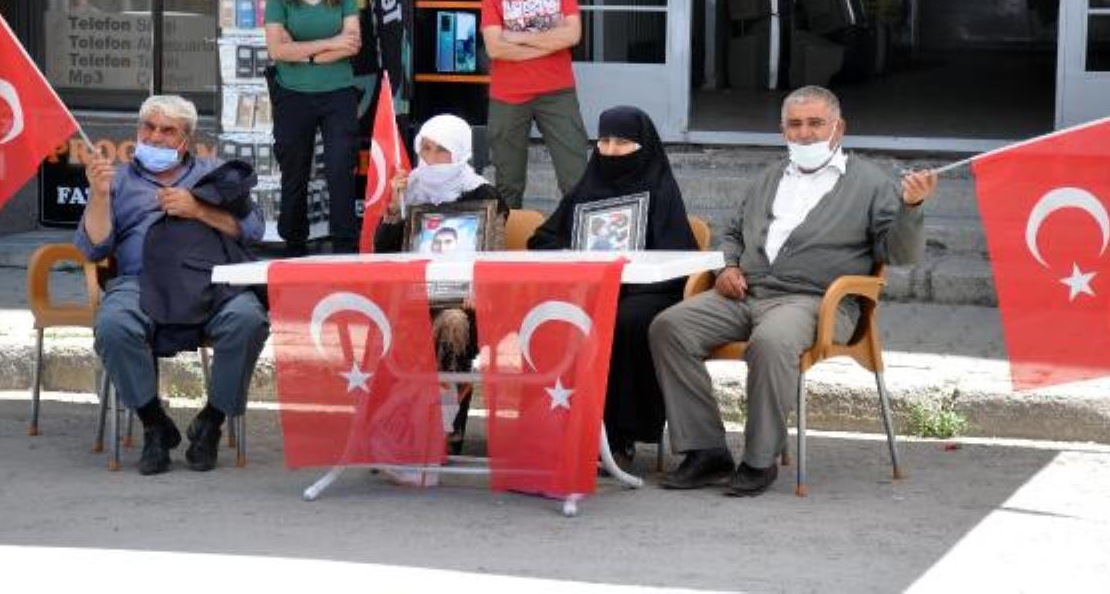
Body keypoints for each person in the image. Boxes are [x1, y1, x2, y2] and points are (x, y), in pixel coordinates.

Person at [649, 86, 938, 496]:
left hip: (816, 301)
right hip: (746, 293)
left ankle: (759, 460)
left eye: (815, 123)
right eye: (795, 125)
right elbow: (733, 231)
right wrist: (728, 266)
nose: (804, 134)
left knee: (771, 341)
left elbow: (901, 254)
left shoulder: (872, 184)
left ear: (839, 128)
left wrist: (911, 207)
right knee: (669, 327)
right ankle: (706, 451)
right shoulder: (770, 176)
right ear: (783, 130)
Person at [76, 95, 269, 475]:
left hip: (211, 282)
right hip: (140, 281)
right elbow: (93, 248)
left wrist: (199, 210)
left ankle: (211, 422)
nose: (155, 136)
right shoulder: (118, 179)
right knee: (113, 325)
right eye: (148, 127)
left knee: (249, 320)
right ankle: (154, 425)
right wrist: (99, 196)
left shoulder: (214, 173)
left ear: (186, 139)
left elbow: (252, 230)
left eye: (167, 130)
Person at [527, 106, 697, 469]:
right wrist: (573, 253)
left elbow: (679, 257)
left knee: (621, 321)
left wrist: (632, 275)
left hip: (647, 293)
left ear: (642, 147)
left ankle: (619, 436)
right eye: (604, 141)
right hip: (589, 289)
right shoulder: (587, 189)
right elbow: (542, 238)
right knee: (551, 314)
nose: (611, 150)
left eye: (622, 142)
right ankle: (552, 427)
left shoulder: (660, 190)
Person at [373, 113, 509, 452]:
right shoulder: (410, 190)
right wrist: (394, 208)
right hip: (414, 297)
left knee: (453, 322)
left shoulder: (483, 194)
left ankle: (446, 427)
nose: (431, 158)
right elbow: (383, 252)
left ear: (459, 151)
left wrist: (480, 288)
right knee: (386, 317)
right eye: (426, 149)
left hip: (466, 302)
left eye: (441, 150)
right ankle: (394, 427)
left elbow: (494, 257)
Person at [264, 0, 362, 256]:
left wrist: (303, 52)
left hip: (338, 91)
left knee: (340, 168)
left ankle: (345, 245)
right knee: (294, 170)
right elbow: (277, 50)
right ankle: (294, 242)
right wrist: (328, 44)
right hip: (292, 93)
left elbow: (352, 44)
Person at [481, 0, 589, 210]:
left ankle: (577, 236)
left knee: (576, 176)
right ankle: (508, 238)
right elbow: (495, 48)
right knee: (508, 184)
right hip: (509, 95)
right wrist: (549, 42)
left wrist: (516, 36)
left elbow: (572, 35)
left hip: (557, 91)